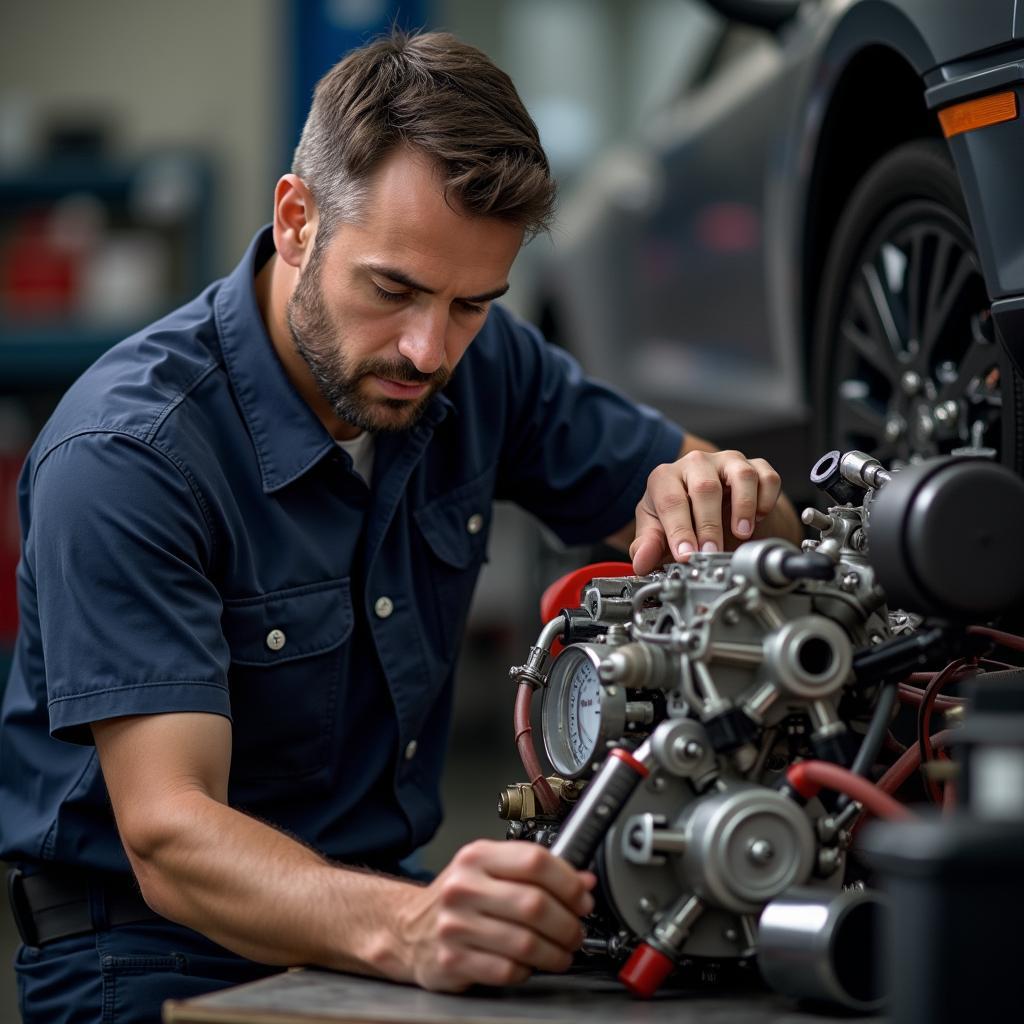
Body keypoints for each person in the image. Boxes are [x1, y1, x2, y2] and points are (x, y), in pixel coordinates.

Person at [0, 29, 800, 1023]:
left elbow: (728, 499)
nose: (429, 350)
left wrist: (716, 485)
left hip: (388, 915)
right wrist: (411, 928)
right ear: (296, 220)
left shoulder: (483, 363)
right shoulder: (130, 455)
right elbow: (172, 837)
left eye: (472, 302)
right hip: (148, 955)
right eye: (394, 290)